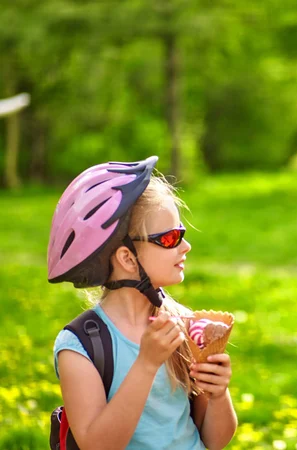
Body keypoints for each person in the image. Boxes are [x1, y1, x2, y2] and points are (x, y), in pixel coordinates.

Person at [49, 156, 237, 449]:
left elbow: (215, 440)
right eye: (172, 237)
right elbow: (98, 445)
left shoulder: (183, 326)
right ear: (127, 258)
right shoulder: (81, 346)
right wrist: (146, 364)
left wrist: (218, 394)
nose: (186, 246)